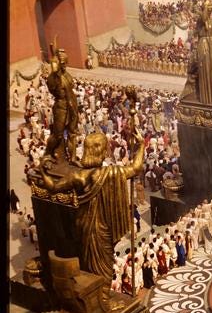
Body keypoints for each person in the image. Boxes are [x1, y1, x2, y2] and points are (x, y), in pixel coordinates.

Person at [33, 91, 145, 287]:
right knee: (103, 266)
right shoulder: (109, 173)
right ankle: (100, 298)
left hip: (83, 228)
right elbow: (135, 168)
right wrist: (141, 145)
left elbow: (52, 187)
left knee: (90, 265)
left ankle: (99, 297)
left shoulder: (78, 175)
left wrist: (43, 170)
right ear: (101, 152)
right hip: (102, 230)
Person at [43, 46, 79, 162]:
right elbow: (52, 87)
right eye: (62, 62)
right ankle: (48, 153)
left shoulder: (67, 75)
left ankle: (73, 158)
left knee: (73, 133)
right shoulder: (54, 78)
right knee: (58, 134)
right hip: (61, 106)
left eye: (65, 62)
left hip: (72, 104)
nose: (64, 65)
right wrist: (54, 66)